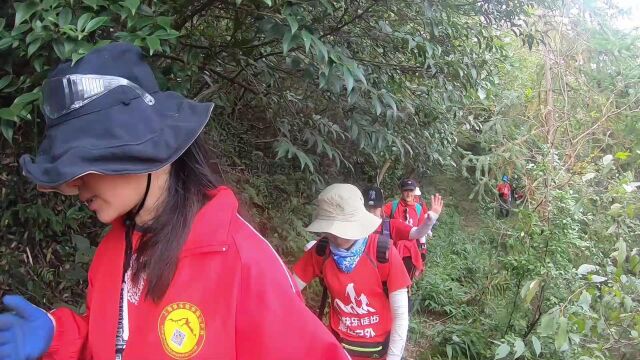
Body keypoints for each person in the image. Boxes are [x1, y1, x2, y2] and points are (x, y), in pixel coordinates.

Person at [0, 42, 348, 360]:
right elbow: (117, 341)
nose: (74, 185)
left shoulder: (241, 260)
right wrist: (57, 334)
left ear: (145, 150)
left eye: (86, 163)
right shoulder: (113, 250)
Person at [292, 184, 411, 360]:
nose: (336, 236)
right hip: (337, 348)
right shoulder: (321, 251)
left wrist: (393, 357)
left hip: (378, 351)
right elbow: (287, 289)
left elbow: (400, 316)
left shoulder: (382, 252)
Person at [382, 179, 426, 279]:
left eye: (411, 191)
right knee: (391, 277)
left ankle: (407, 293)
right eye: (406, 190)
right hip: (393, 249)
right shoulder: (392, 206)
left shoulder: (418, 209)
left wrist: (423, 250)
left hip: (410, 251)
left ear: (415, 191)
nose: (408, 193)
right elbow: (378, 216)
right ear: (401, 191)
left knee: (407, 278)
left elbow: (422, 230)